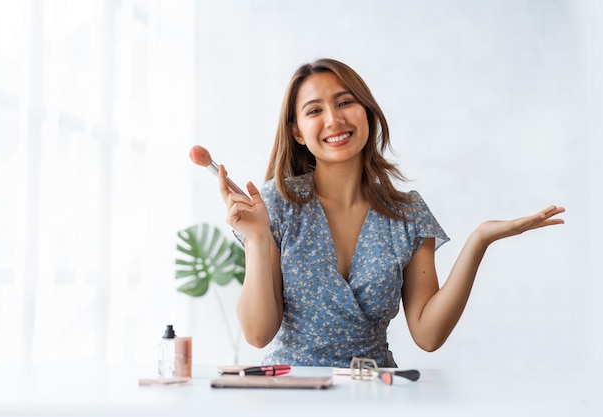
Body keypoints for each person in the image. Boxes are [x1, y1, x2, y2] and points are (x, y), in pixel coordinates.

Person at [217, 58, 565, 368]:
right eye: (314, 111)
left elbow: (428, 335)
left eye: (345, 102)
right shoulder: (275, 205)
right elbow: (258, 334)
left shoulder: (408, 213)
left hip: (375, 395)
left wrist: (479, 240)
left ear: (366, 111)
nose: (334, 119)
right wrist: (259, 238)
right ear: (297, 131)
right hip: (290, 395)